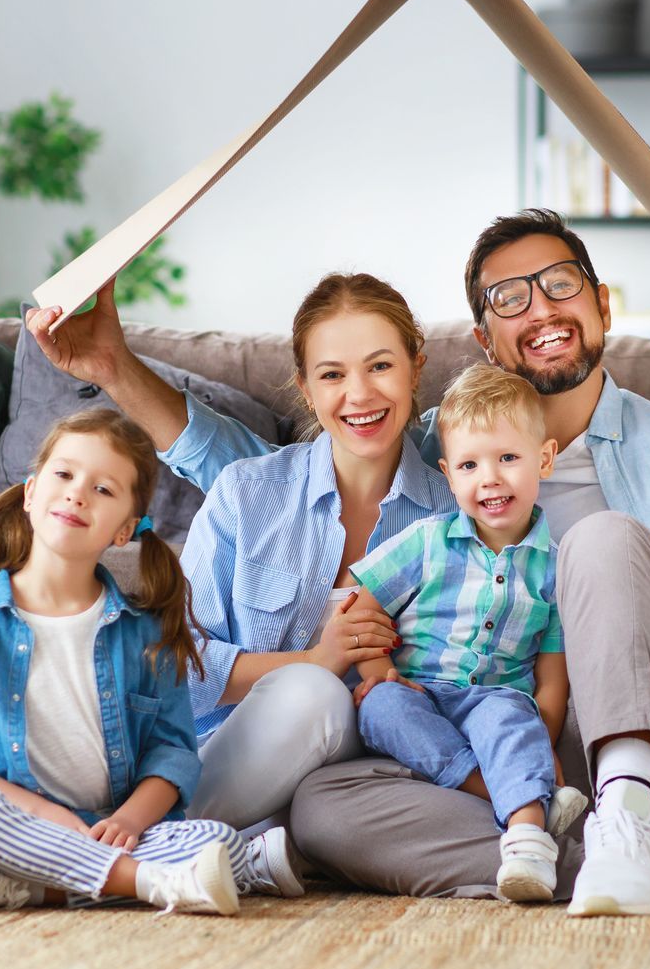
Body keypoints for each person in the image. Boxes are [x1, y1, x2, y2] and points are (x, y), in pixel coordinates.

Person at [30, 209, 650, 913]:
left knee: (600, 541)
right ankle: (622, 858)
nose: (540, 307)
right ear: (483, 337)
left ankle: (634, 816)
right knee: (325, 807)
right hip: (517, 764)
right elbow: (275, 476)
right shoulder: (447, 454)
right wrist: (112, 367)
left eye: (559, 284)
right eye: (511, 298)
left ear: (602, 304)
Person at [27, 273, 459, 892]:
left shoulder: (453, 516)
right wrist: (314, 659)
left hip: (360, 779)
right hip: (229, 757)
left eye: (381, 366)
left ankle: (95, 860)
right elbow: (182, 665)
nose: (359, 393)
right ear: (306, 389)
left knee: (316, 802)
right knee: (313, 693)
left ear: (416, 368)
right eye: (332, 374)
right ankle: (140, 854)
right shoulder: (248, 491)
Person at [0, 408, 273, 916]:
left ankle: (26, 888)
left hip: (110, 828)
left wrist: (133, 821)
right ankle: (149, 884)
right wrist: (44, 814)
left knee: (218, 842)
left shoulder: (145, 634)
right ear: (30, 493)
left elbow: (173, 752)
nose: (78, 492)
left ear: (123, 530)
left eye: (104, 489)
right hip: (12, 825)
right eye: (65, 474)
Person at [347, 365, 591, 903]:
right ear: (448, 474)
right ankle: (520, 795)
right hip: (421, 694)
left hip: (495, 699)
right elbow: (360, 606)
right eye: (469, 465)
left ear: (544, 459)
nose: (490, 478)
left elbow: (552, 675)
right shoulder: (426, 542)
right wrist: (379, 675)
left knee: (512, 718)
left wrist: (538, 732)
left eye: (508, 458)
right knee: (379, 708)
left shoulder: (555, 567)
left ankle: (527, 841)